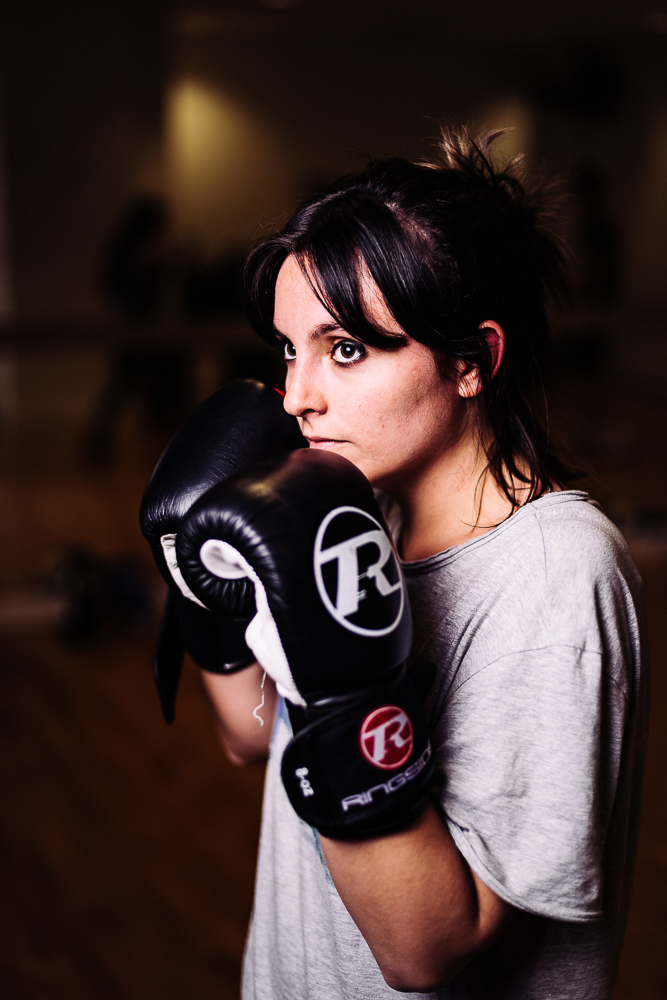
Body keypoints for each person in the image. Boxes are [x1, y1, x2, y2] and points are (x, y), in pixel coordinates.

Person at [160, 127, 649, 998]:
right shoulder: (356, 512)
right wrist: (199, 582)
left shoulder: (553, 576)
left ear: (472, 361)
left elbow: (424, 951)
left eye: (345, 349)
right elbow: (249, 734)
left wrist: (347, 696)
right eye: (288, 349)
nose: (297, 395)